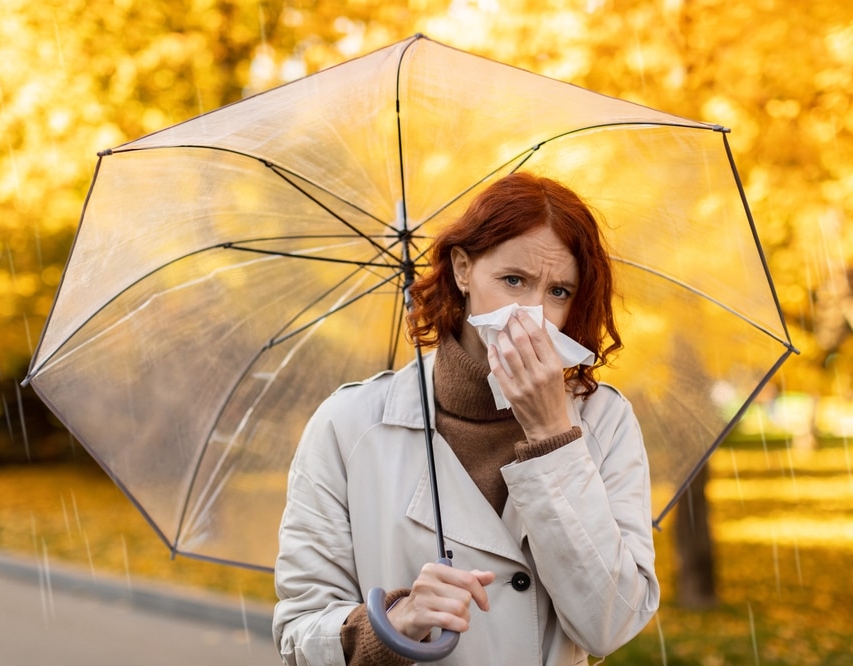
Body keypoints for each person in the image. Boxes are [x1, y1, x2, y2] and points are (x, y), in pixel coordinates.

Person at [273, 172, 660, 665]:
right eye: (513, 281)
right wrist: (393, 625)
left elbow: (611, 624)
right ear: (462, 270)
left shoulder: (604, 422)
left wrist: (550, 435)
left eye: (559, 292)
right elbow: (298, 635)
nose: (532, 314)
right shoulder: (348, 426)